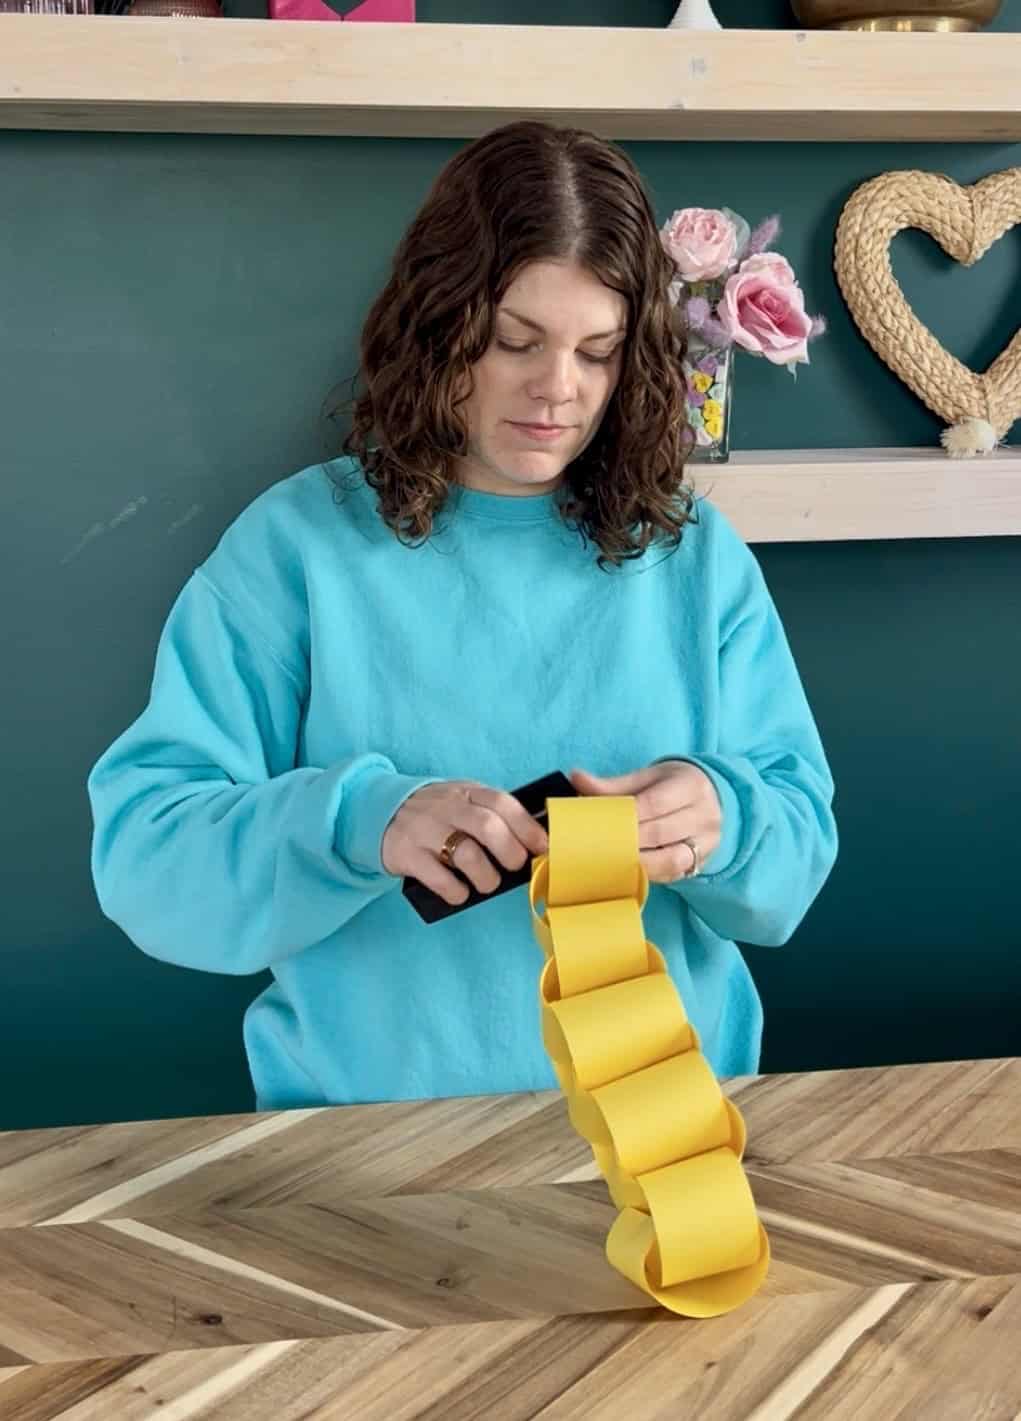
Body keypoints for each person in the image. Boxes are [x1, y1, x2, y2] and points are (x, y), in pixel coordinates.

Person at [88, 120, 837, 1113]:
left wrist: (722, 815)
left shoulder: (694, 555)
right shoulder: (295, 549)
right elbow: (148, 855)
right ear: (440, 324)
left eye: (598, 352)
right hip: (362, 1148)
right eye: (513, 340)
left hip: (670, 1135)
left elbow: (793, 854)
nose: (557, 389)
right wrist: (363, 820)